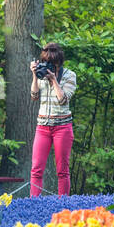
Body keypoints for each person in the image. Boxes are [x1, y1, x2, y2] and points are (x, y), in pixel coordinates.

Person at [28, 42, 77, 197]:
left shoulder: (70, 75)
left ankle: (63, 205)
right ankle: (32, 203)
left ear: (60, 62)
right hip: (42, 127)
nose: (50, 67)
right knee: (36, 169)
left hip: (62, 127)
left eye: (54, 65)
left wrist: (54, 80)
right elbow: (34, 96)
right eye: (48, 63)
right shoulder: (41, 73)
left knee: (62, 170)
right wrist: (35, 76)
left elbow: (63, 99)